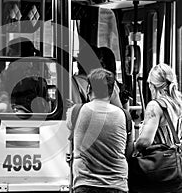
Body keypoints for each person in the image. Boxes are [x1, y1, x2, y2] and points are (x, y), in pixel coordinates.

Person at [68, 68, 128, 193]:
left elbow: (70, 130)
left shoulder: (76, 111)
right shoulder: (124, 116)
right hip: (116, 185)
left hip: (84, 184)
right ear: (112, 93)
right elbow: (129, 150)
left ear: (89, 89)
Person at [134, 63, 182, 193]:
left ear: (152, 85)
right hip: (176, 168)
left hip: (159, 167)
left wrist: (133, 146)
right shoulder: (179, 103)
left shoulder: (155, 106)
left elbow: (145, 141)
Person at [0, 37, 50, 113]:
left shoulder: (16, 71)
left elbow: (2, 94)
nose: (8, 55)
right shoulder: (37, 69)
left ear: (19, 53)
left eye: (11, 51)